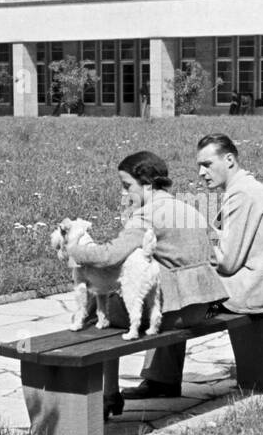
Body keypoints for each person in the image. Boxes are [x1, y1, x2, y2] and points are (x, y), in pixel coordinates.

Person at [126, 134, 263, 397]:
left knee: (176, 300)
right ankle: (160, 378)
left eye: (207, 164)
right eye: (199, 166)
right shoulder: (249, 189)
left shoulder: (242, 195)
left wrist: (193, 246)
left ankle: (161, 380)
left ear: (229, 160)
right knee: (181, 289)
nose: (201, 173)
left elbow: (227, 262)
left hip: (251, 292)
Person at [65, 151, 226, 418]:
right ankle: (159, 381)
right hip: (202, 307)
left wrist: (75, 251)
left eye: (127, 186)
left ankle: (107, 395)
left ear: (147, 184)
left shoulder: (146, 216)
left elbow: (109, 257)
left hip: (172, 314)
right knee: (138, 295)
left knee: (95, 309)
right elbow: (211, 257)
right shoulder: (189, 208)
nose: (124, 193)